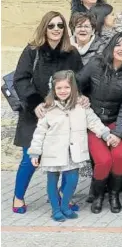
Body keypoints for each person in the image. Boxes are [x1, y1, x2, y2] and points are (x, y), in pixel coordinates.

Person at [12, 11, 84, 215]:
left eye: (60, 26)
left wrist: (81, 97)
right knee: (29, 157)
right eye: (51, 26)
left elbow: (79, 79)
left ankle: (63, 196)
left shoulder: (71, 53)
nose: (56, 30)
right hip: (37, 112)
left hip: (63, 114)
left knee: (63, 157)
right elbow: (21, 79)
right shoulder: (32, 51)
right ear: (45, 27)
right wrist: (35, 103)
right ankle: (18, 196)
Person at [28, 71, 113, 222]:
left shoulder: (81, 106)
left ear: (73, 88)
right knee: (52, 181)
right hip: (53, 152)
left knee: (72, 180)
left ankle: (65, 205)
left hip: (74, 152)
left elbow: (93, 122)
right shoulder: (47, 108)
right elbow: (39, 132)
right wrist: (35, 152)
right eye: (58, 88)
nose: (62, 91)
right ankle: (55, 209)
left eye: (66, 87)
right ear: (53, 89)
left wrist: (105, 133)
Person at [76, 32, 122, 214]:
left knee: (121, 158)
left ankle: (114, 195)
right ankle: (98, 196)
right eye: (118, 45)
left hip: (116, 122)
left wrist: (119, 133)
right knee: (103, 161)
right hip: (95, 123)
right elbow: (77, 82)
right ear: (111, 47)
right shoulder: (96, 64)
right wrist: (81, 97)